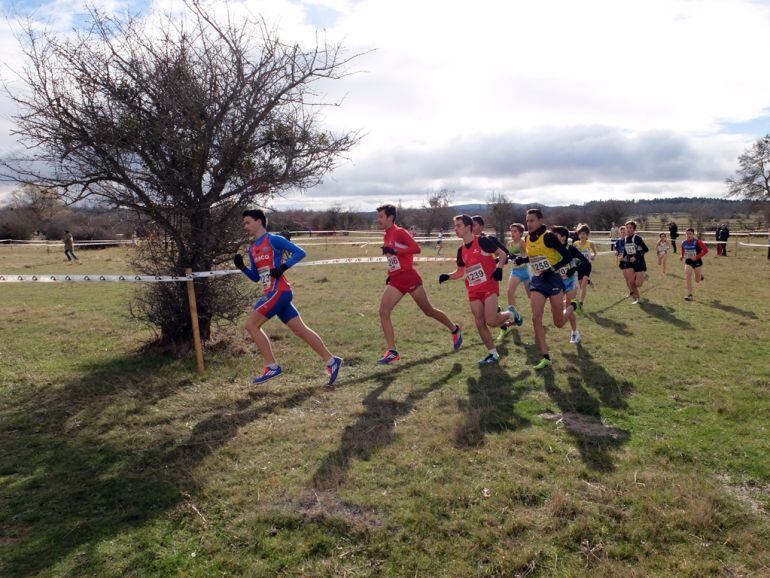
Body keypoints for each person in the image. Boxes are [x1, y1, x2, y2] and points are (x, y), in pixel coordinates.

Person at [233, 209, 342, 385]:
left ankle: (272, 366)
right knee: (300, 330)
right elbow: (255, 277)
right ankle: (332, 361)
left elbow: (300, 252)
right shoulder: (253, 248)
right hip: (272, 293)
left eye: (247, 222)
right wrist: (242, 268)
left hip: (280, 291)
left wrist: (283, 267)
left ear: (259, 221)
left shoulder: (273, 239)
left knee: (251, 325)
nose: (245, 226)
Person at [376, 204, 462, 364]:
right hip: (396, 279)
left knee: (428, 310)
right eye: (378, 216)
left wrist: (396, 252)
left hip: (409, 277)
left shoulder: (399, 232)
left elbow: (416, 248)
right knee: (383, 312)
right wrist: (390, 273)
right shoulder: (386, 235)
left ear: (390, 217)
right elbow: (393, 258)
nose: (378, 219)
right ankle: (392, 351)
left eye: (381, 216)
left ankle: (454, 329)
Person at [438, 214, 515, 365]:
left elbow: (502, 254)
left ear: (468, 227)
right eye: (455, 226)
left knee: (491, 321)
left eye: (459, 225)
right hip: (473, 289)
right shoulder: (461, 251)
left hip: (489, 286)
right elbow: (460, 272)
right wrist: (447, 276)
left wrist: (499, 268)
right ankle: (493, 354)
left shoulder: (482, 241)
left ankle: (511, 312)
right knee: (479, 322)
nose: (456, 229)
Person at [512, 209, 579, 370]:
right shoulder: (527, 238)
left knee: (559, 323)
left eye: (532, 220)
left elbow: (567, 256)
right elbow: (534, 256)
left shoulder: (548, 237)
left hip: (554, 280)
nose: (529, 224)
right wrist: (523, 259)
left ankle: (572, 306)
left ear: (541, 221)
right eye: (527, 220)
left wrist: (553, 268)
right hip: (538, 281)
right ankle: (545, 356)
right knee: (536, 318)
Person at [551, 226, 589, 343]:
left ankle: (574, 333)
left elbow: (585, 261)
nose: (553, 238)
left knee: (568, 307)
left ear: (563, 237)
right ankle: (571, 306)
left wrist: (574, 269)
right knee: (555, 309)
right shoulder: (551, 249)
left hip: (571, 281)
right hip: (558, 281)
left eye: (555, 235)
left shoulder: (571, 248)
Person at [497, 222, 529, 341]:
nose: (513, 233)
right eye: (511, 231)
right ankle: (515, 315)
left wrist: (523, 257)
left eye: (515, 231)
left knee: (531, 295)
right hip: (516, 271)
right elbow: (507, 256)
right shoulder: (509, 244)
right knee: (509, 292)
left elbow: (529, 255)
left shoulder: (522, 242)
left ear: (520, 233)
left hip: (526, 271)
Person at [619, 221, 649, 304]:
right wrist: (623, 256)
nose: (628, 229)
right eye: (627, 227)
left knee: (638, 284)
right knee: (631, 282)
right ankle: (638, 298)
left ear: (634, 229)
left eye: (630, 228)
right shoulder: (625, 238)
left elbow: (646, 249)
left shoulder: (637, 238)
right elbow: (626, 249)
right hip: (629, 262)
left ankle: (643, 275)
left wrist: (635, 257)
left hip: (639, 262)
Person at [572, 224, 596, 312]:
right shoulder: (575, 244)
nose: (582, 235)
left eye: (584, 234)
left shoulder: (590, 243)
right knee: (580, 284)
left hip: (587, 266)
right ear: (578, 235)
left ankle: (581, 303)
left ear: (587, 235)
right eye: (580, 234)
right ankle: (588, 281)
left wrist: (593, 255)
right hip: (578, 266)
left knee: (583, 286)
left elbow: (594, 252)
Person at [680, 228, 709, 301]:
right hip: (688, 261)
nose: (688, 235)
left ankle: (700, 276)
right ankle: (690, 295)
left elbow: (706, 251)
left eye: (690, 234)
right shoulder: (684, 242)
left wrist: (696, 257)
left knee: (697, 280)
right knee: (687, 276)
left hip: (697, 261)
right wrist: (682, 256)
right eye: (687, 234)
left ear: (693, 234)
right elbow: (683, 250)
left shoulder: (698, 242)